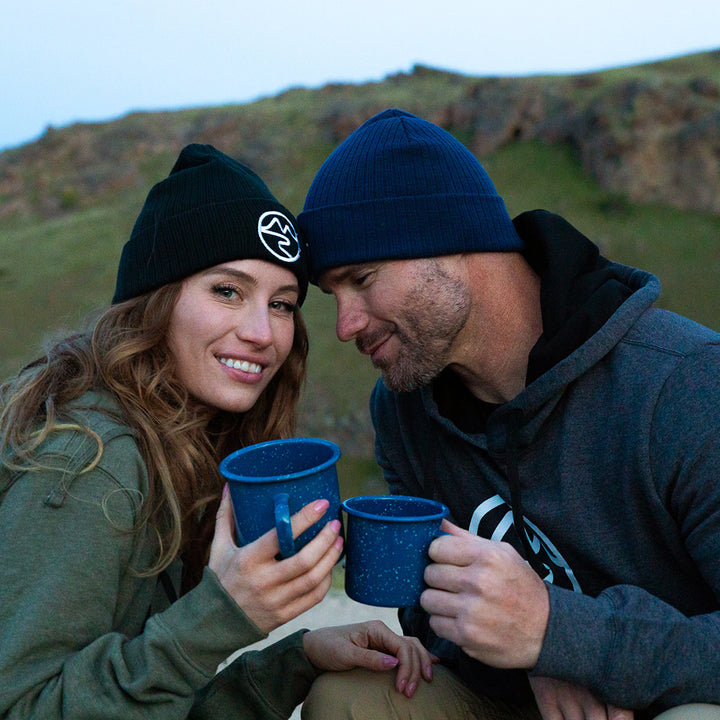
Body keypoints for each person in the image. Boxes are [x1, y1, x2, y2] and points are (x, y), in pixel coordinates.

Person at [295, 109, 720, 720]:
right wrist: (534, 655)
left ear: (452, 237)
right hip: (515, 694)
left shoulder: (685, 383)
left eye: (361, 279)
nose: (344, 326)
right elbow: (424, 607)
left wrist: (563, 639)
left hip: (672, 697)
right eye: (333, 297)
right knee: (347, 701)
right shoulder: (402, 409)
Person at [0, 143, 434, 719]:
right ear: (155, 301)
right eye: (227, 291)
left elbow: (154, 707)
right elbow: (26, 708)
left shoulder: (178, 445)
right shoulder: (90, 460)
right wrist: (218, 616)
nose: (262, 332)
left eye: (282, 304)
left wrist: (298, 661)